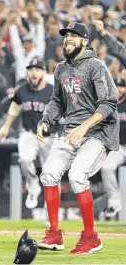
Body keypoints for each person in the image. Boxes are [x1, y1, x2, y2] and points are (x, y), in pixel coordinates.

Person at [36, 22, 119, 254]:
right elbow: (57, 101)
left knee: (77, 176)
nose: (68, 39)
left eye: (74, 36)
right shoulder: (61, 68)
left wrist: (84, 127)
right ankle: (54, 234)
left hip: (98, 132)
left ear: (85, 41)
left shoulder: (96, 66)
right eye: (66, 36)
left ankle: (91, 237)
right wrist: (45, 120)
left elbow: (108, 103)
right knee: (49, 174)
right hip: (71, 131)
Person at [0, 57, 58, 209]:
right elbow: (14, 108)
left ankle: (50, 208)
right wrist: (6, 127)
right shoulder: (21, 90)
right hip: (29, 133)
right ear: (28, 73)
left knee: (50, 173)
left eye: (37, 69)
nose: (34, 72)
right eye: (31, 69)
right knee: (24, 159)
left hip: (49, 136)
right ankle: (33, 188)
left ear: (43, 72)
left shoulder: (53, 91)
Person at [101, 79, 126, 218]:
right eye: (117, 86)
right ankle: (114, 202)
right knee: (107, 167)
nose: (119, 89)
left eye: (122, 86)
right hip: (120, 147)